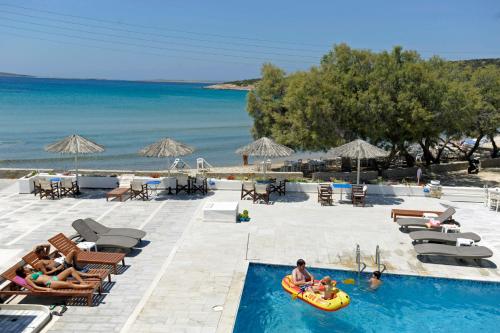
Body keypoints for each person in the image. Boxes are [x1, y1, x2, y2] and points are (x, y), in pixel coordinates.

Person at [15, 266, 99, 291]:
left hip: (55, 278)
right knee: (69, 284)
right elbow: (35, 287)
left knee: (70, 269)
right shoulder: (27, 278)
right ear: (23, 272)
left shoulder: (33, 272)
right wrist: (46, 290)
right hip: (50, 283)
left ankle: (82, 282)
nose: (27, 267)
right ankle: (87, 286)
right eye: (25, 267)